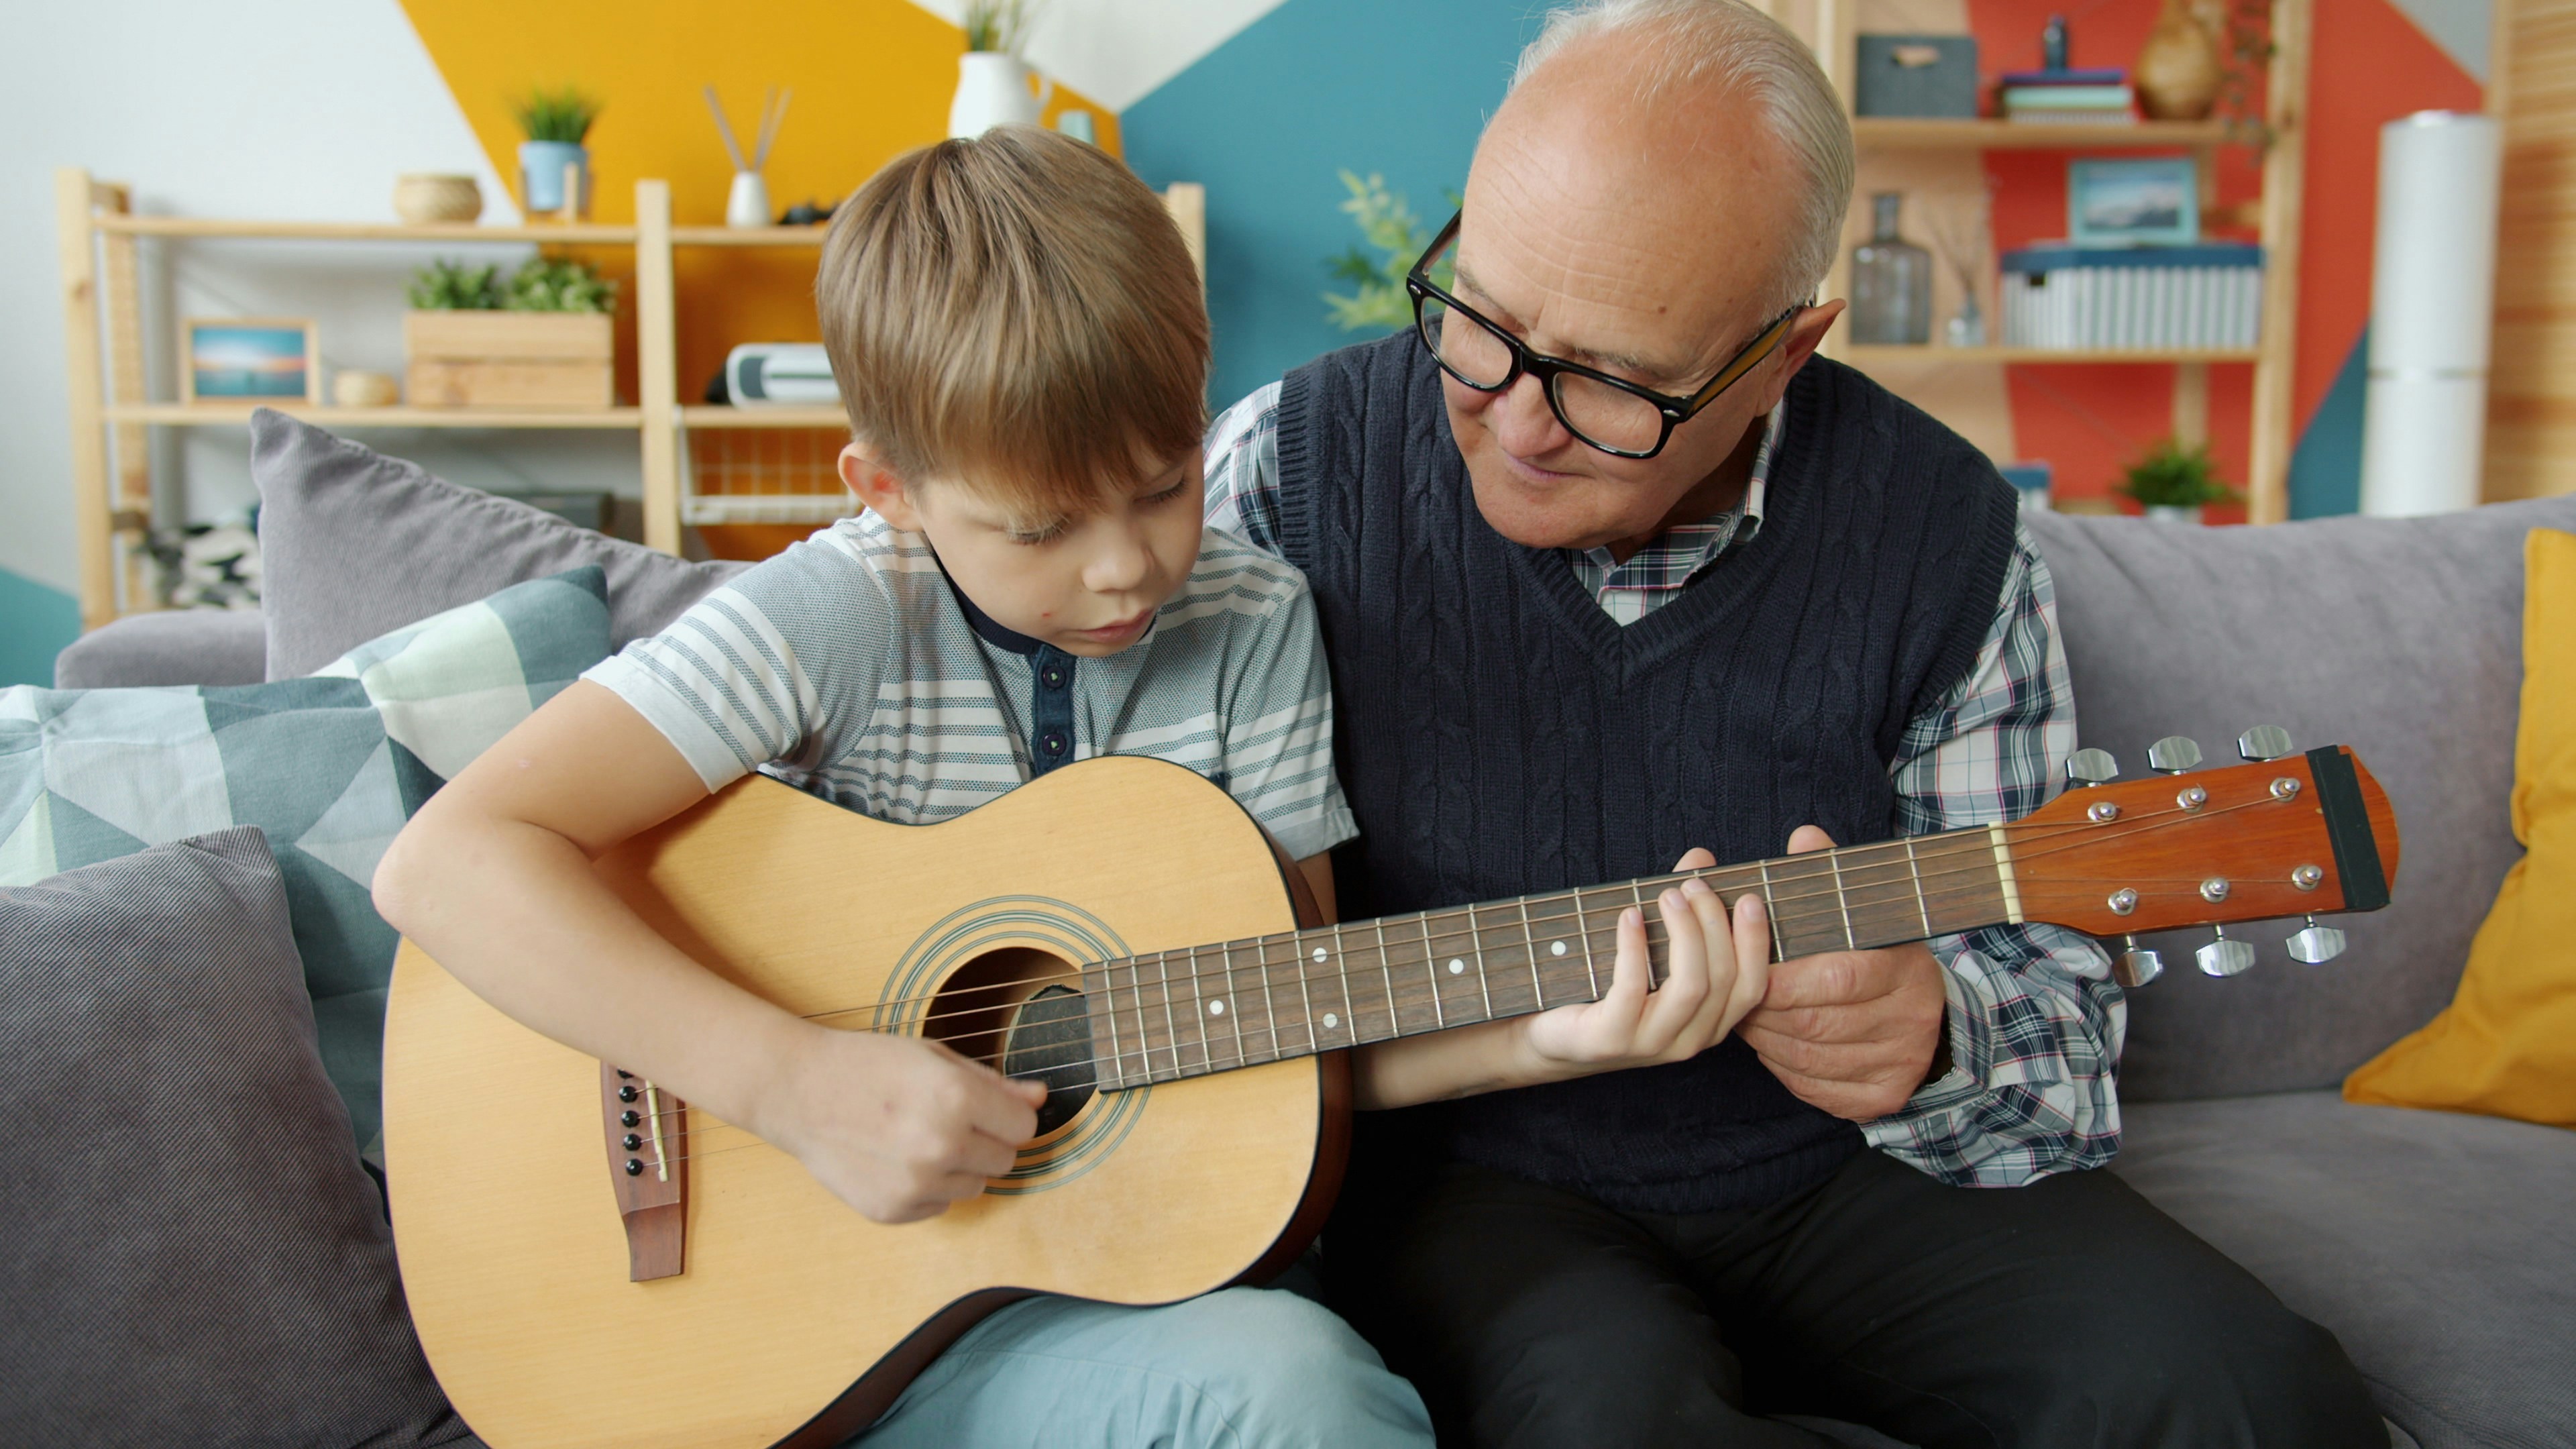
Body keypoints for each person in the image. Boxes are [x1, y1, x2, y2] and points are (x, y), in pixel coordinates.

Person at [1197, 1, 2390, 1444]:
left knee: (2252, 1399)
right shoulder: (1286, 474)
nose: (1516, 421)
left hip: (1841, 1175)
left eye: (1612, 383)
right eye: (1486, 323)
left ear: (1783, 353)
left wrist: (1936, 1033)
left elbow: (2061, 1030)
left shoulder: (1947, 540)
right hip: (1466, 1184)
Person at [373, 128, 1440, 1448]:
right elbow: (445, 863)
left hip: (1138, 1287)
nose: (1125, 569)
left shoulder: (1254, 617)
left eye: (1163, 488)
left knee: (1301, 1389)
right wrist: (792, 1086)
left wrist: (1557, 1036)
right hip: (806, 1314)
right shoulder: (840, 614)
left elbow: (1298, 1018)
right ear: (890, 491)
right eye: (1044, 526)